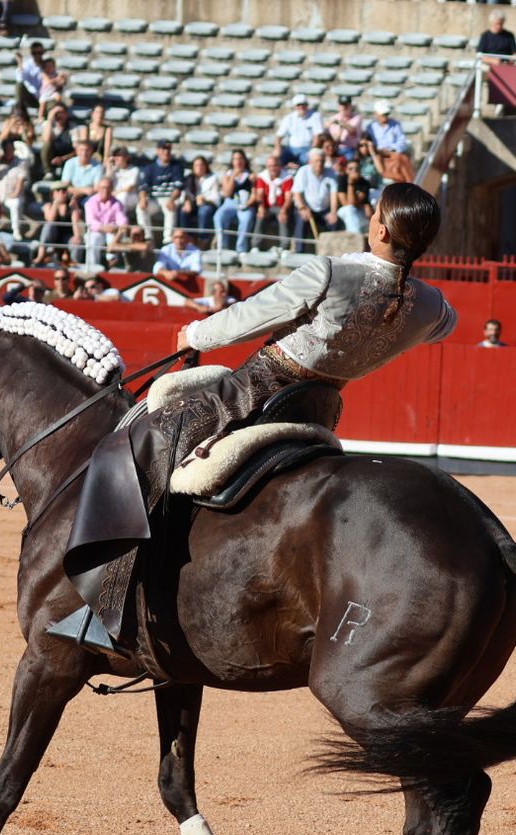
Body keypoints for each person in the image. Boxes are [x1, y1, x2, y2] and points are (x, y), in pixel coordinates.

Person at [57, 182, 458, 654]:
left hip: (252, 393)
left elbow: (252, 315)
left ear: (384, 227)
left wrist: (196, 334)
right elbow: (447, 323)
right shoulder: (427, 304)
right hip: (319, 407)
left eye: (374, 213)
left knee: (132, 443)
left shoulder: (330, 272)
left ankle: (104, 605)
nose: (370, 219)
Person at [276, 93, 322, 168]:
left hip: (308, 148)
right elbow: (279, 136)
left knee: (309, 162)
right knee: (276, 160)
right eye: (298, 105)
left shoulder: (315, 116)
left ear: (307, 105)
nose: (301, 107)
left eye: (304, 104)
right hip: (291, 149)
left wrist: (312, 150)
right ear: (294, 107)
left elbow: (317, 136)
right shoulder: (289, 118)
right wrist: (277, 149)